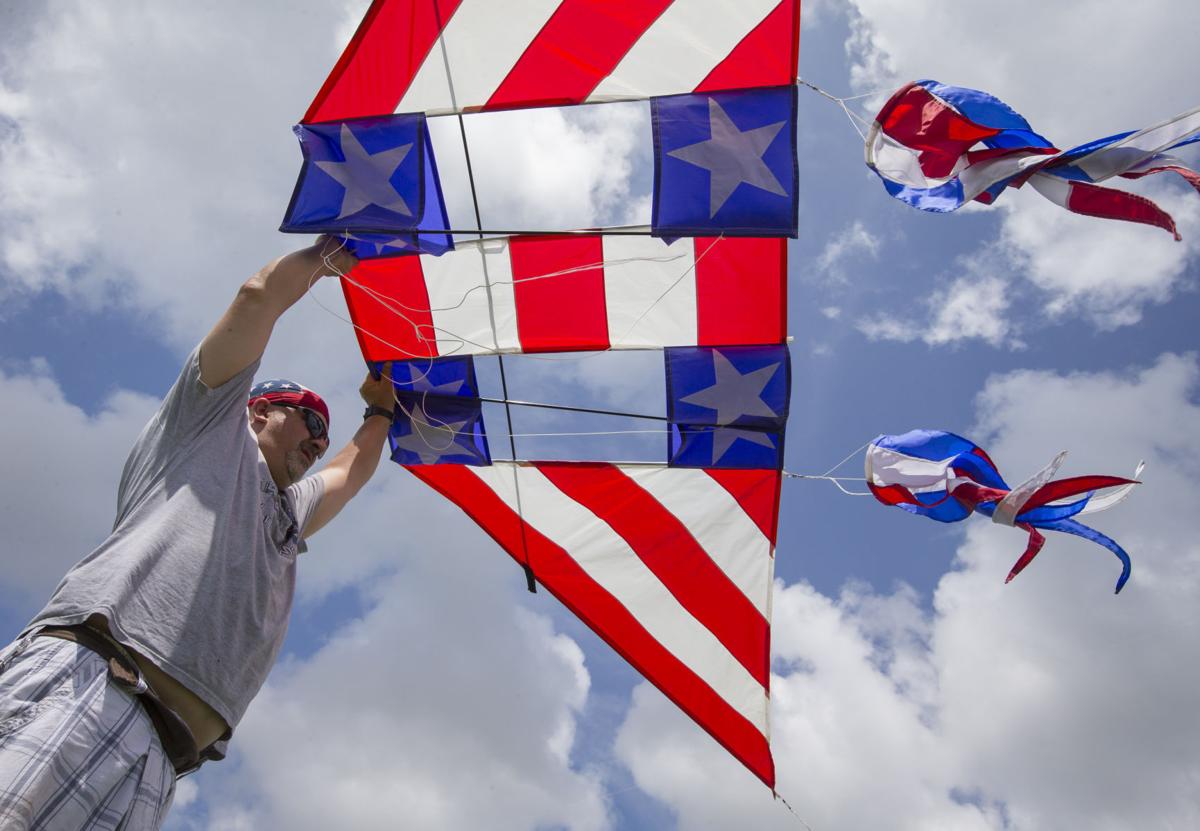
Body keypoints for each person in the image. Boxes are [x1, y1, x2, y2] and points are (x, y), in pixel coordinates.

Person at [0, 237, 394, 829]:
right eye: (310, 419)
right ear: (258, 410)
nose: (319, 440)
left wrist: (381, 411)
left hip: (160, 761)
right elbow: (257, 298)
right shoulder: (207, 427)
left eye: (324, 432)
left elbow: (351, 470)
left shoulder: (286, 513)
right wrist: (331, 255)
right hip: (85, 694)